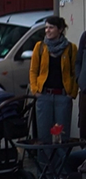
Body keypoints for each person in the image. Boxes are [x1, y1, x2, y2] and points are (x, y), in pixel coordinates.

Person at [30, 16, 78, 146]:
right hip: (44, 95)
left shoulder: (71, 49)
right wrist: (35, 90)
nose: (47, 30)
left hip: (62, 96)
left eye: (51, 27)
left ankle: (61, 165)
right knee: (44, 136)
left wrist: (71, 93)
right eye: (46, 27)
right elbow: (33, 71)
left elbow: (75, 73)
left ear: (60, 29)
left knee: (61, 136)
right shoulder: (40, 47)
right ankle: (45, 165)